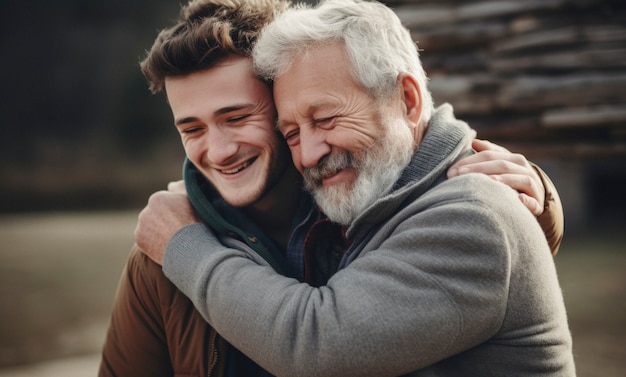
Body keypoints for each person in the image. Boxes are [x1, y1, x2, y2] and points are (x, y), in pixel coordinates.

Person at [100, 0, 564, 376]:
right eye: (192, 129)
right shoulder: (160, 253)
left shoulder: (362, 206)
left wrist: (538, 205)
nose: (218, 151)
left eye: (237, 117)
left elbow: (321, 342)